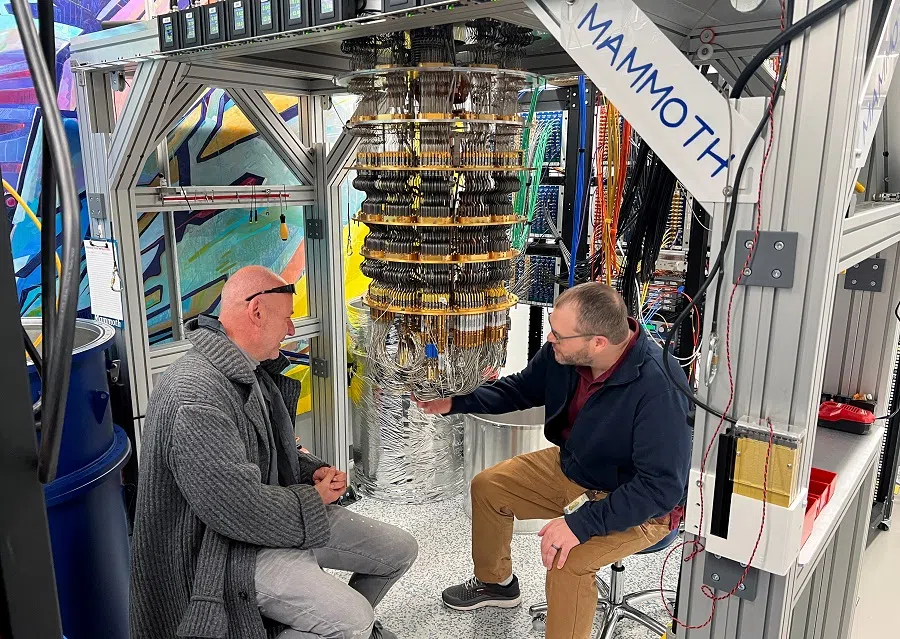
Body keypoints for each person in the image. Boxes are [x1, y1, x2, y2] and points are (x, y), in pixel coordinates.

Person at [131, 266, 417, 639]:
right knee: (354, 619)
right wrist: (312, 498)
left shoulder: (249, 371)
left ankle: (323, 626)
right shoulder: (195, 395)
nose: (292, 330)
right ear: (256, 312)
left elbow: (262, 454)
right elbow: (237, 510)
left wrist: (308, 470)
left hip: (269, 520)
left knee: (399, 550)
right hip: (222, 551)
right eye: (287, 318)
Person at [417, 282, 692, 639]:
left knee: (568, 559)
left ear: (598, 343)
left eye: (559, 335)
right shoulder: (565, 354)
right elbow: (521, 389)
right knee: (488, 487)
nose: (550, 338)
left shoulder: (660, 386)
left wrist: (581, 525)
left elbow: (661, 488)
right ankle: (497, 584)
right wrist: (456, 402)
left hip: (641, 505)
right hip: (578, 468)